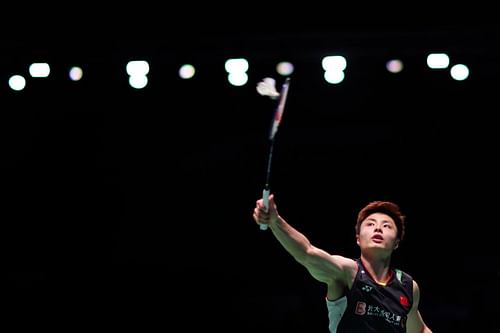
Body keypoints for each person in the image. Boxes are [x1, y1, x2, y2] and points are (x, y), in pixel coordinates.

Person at [252, 194, 432, 333]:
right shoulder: (346, 272)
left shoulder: (408, 287)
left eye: (387, 226)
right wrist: (275, 222)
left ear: (397, 242)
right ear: (358, 239)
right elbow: (307, 253)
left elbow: (420, 329)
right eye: (370, 224)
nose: (378, 228)